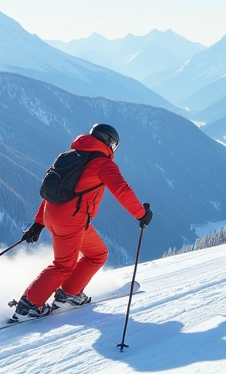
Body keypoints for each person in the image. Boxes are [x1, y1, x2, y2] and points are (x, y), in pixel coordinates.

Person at [16, 123, 153, 318]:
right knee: (64, 265)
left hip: (56, 216)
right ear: (108, 141)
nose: (114, 149)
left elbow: (52, 193)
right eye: (114, 145)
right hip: (71, 220)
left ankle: (69, 295)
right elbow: (122, 190)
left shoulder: (68, 156)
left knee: (97, 254)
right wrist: (141, 214)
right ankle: (29, 305)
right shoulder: (103, 164)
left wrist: (38, 224)